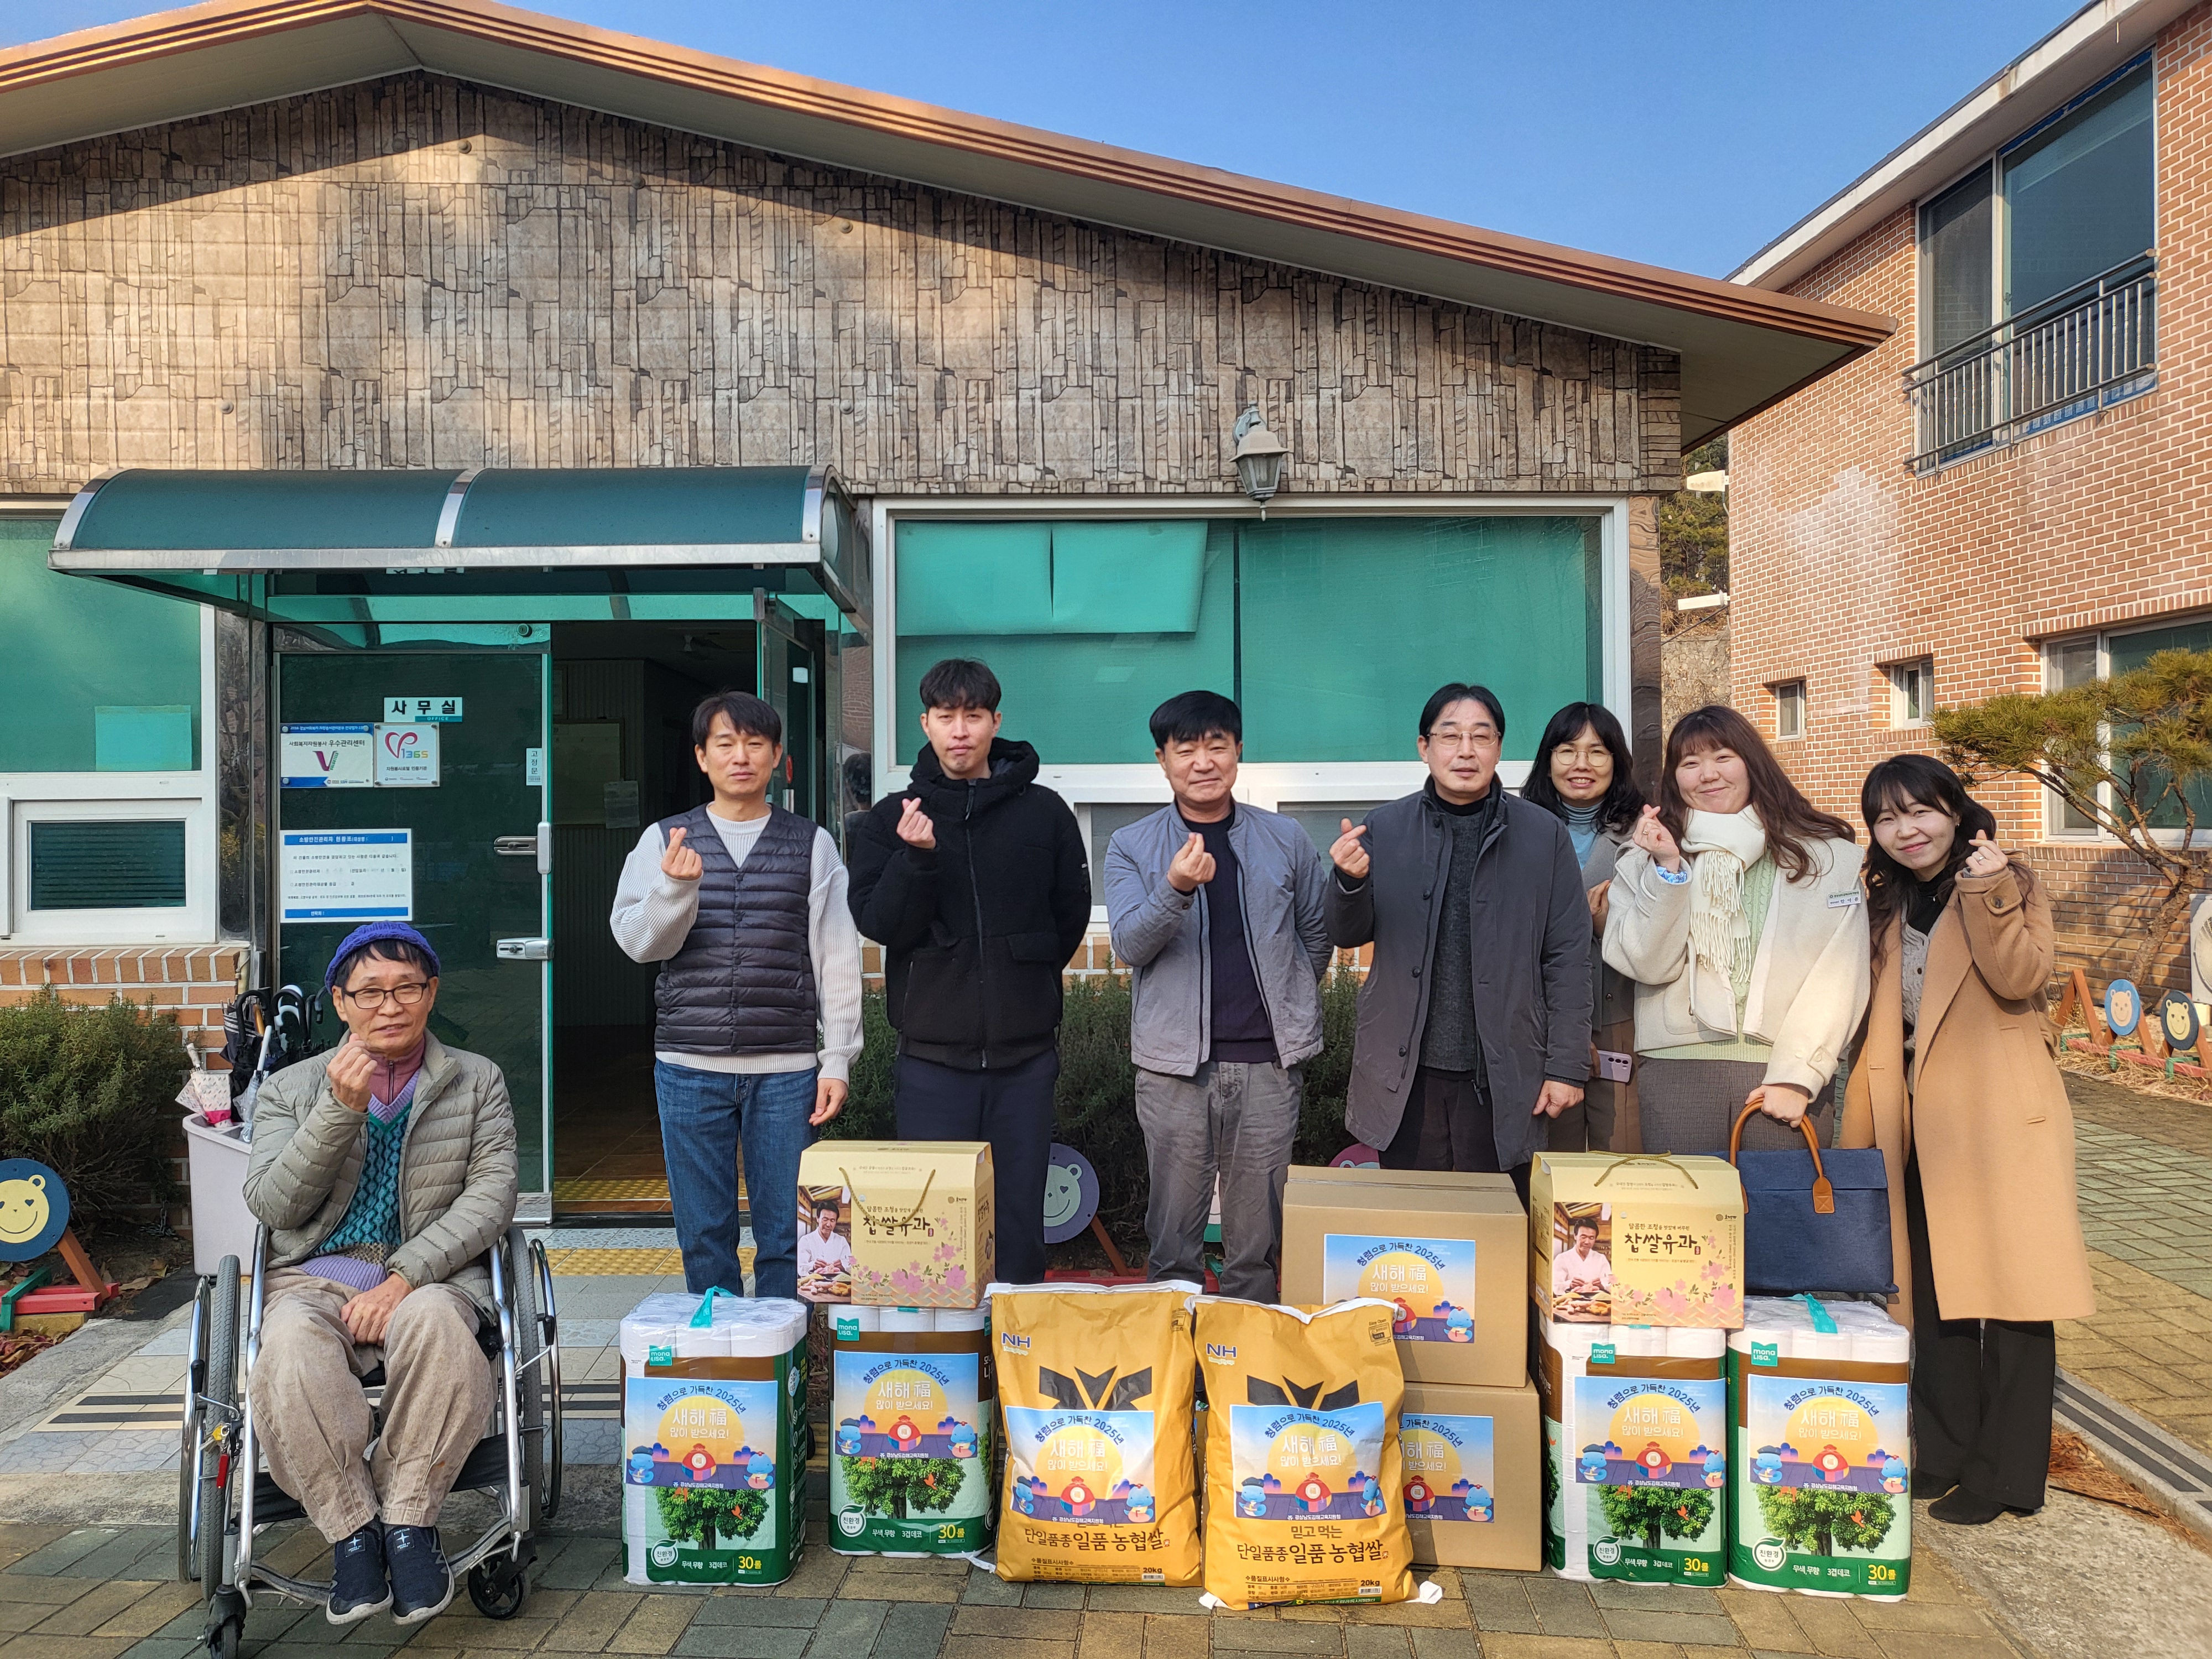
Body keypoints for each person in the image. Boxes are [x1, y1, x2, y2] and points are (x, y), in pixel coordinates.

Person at [242, 922, 518, 1627]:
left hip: (432, 1277)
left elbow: (492, 1198)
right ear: (340, 1002)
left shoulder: (477, 1078)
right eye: (369, 991)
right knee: (291, 1346)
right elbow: (274, 1205)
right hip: (312, 1278)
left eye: (406, 988)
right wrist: (338, 1111)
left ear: (431, 995)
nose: (389, 1005)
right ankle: (352, 1534)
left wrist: (402, 1278)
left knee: (438, 1326)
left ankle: (408, 1523)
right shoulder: (288, 1087)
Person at [1841, 754, 2094, 1525]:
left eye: (1920, 811)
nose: (1905, 830)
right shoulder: (1882, 899)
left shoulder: (2009, 881)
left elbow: (2020, 977)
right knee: (1932, 1292)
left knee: (2015, 1298)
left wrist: (1986, 893)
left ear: (1956, 811)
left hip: (1998, 1113)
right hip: (1918, 1121)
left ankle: (2007, 1476)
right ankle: (1946, 1453)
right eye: (1887, 818)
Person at [611, 690, 862, 1302]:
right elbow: (639, 945)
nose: (740, 756)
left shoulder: (813, 843)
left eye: (754, 743)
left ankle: (788, 1365)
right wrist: (674, 889)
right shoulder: (664, 840)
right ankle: (725, 1361)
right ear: (702, 757)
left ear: (778, 756)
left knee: (789, 1233)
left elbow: (837, 957)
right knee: (704, 1233)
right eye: (725, 743)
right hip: (689, 1067)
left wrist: (837, 1059)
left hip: (786, 1072)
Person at [847, 658, 1091, 1283]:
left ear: (995, 722)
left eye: (974, 716)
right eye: (946, 716)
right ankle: (948, 1366)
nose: (960, 731)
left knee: (1018, 1224)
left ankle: (1013, 1355)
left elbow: (1068, 917)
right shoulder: (890, 818)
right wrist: (916, 858)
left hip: (1026, 1059)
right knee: (934, 1227)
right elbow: (879, 923)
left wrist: (1022, 981)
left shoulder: (1045, 813)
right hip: (931, 1061)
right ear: (925, 724)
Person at [1103, 690, 1333, 1300]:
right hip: (1174, 1069)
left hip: (1267, 1065)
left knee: (1255, 1242)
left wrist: (1288, 1005)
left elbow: (1315, 937)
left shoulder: (1284, 839)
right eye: (1187, 750)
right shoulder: (1131, 845)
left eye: (1216, 746)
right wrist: (1175, 888)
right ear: (1163, 760)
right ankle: (1180, 1366)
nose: (1203, 761)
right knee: (1173, 1238)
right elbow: (1129, 944)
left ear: (1237, 752)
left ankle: (1243, 1368)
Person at [1324, 683, 1590, 1198]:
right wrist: (1349, 882)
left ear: (1499, 747)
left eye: (1480, 736)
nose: (1465, 751)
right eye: (1450, 736)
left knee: (1497, 1228)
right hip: (1407, 1074)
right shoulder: (1386, 827)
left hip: (1506, 1071)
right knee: (1416, 1228)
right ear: (1424, 748)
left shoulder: (1543, 835)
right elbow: (1346, 932)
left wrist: (1566, 1067)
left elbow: (1569, 957)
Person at [1603, 704, 1867, 1152]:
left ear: (1752, 762)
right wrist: (1669, 870)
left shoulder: (1825, 858)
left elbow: (1841, 975)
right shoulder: (1644, 857)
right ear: (1674, 778)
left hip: (1784, 1073)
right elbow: (1646, 963)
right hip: (1677, 1070)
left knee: (1783, 1219)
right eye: (1690, 763)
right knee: (1687, 1220)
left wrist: (1798, 1076)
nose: (1708, 774)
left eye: (1723, 757)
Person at [1522, 701, 1646, 1152]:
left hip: (1621, 1018)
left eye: (1597, 752)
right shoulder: (1517, 830)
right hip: (1539, 1024)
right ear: (1547, 759)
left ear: (1617, 760)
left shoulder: (1647, 834)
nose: (1581, 765)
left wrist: (1610, 926)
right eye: (1567, 750)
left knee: (1622, 1159)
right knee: (1552, 1163)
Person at [797, 1199, 855, 1292]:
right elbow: (800, 1267)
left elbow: (852, 1266)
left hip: (838, 1286)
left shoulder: (842, 1241)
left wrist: (843, 1266)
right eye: (825, 1219)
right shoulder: (806, 1240)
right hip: (813, 1285)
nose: (828, 1224)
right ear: (818, 1219)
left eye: (832, 1221)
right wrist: (813, 1266)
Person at [1551, 1217, 1613, 1296]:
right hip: (1569, 1302)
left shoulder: (1601, 1258)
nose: (1587, 1242)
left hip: (1596, 1302)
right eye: (1583, 1237)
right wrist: (1570, 1284)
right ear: (1575, 1236)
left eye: (1591, 1238)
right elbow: (1555, 1286)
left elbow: (1610, 1284)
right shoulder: (1562, 1258)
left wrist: (1601, 1285)